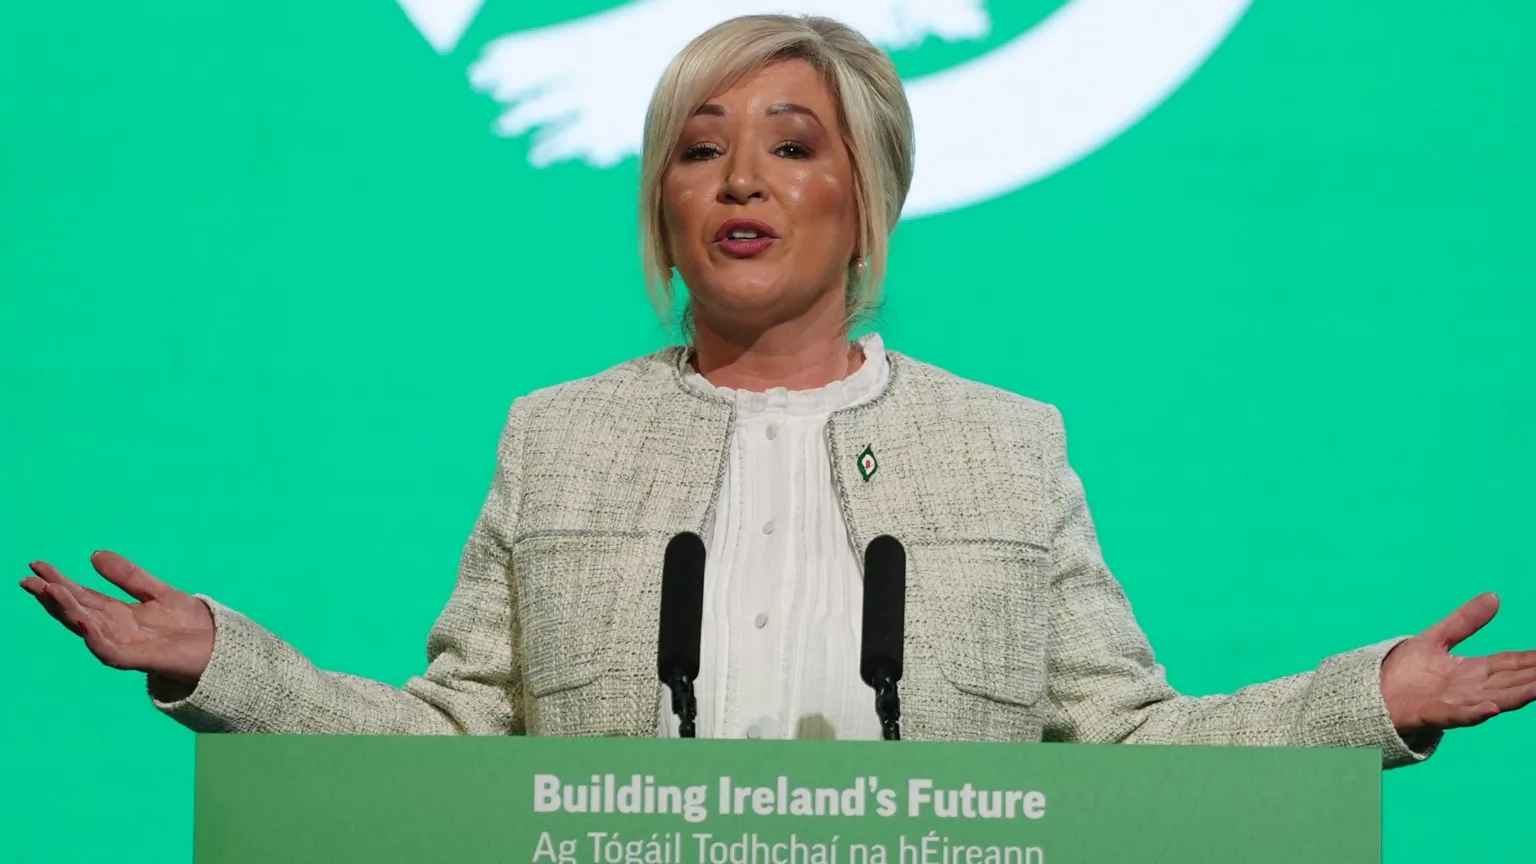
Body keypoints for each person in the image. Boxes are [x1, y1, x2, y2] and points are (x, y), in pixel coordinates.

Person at [18, 14, 1535, 756]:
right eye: (700, 148)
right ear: (664, 205)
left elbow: (1127, 746)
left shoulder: (1005, 447)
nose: (740, 178)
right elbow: (462, 744)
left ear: (865, 198)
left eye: (792, 145)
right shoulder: (561, 439)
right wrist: (226, 664)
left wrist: (1367, 704)